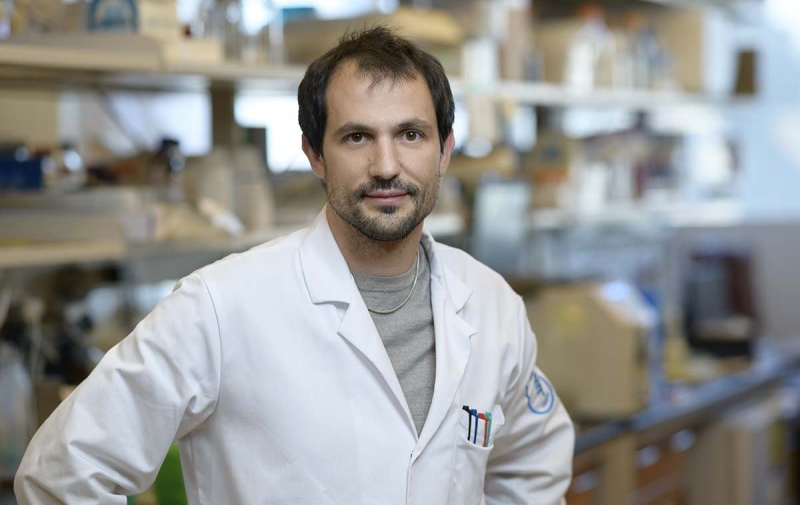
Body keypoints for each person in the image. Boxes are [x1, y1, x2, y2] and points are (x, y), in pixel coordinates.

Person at [15, 26, 574, 504]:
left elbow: (534, 465)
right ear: (314, 154)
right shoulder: (220, 306)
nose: (386, 165)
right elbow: (62, 473)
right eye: (357, 137)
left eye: (410, 135)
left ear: (445, 150)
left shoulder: (492, 304)